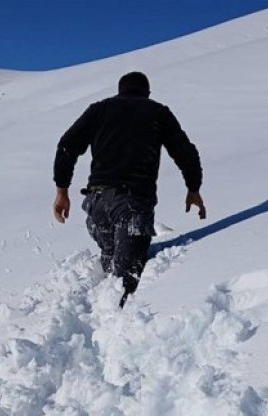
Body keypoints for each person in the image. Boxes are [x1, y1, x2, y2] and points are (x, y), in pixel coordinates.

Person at [53, 71, 206, 307]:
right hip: (131, 205)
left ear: (120, 90)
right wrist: (193, 188)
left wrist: (62, 191)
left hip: (97, 205)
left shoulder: (99, 109)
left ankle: (100, 318)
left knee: (112, 260)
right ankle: (115, 325)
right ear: (147, 93)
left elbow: (67, 146)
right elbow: (184, 151)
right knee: (126, 284)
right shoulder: (157, 111)